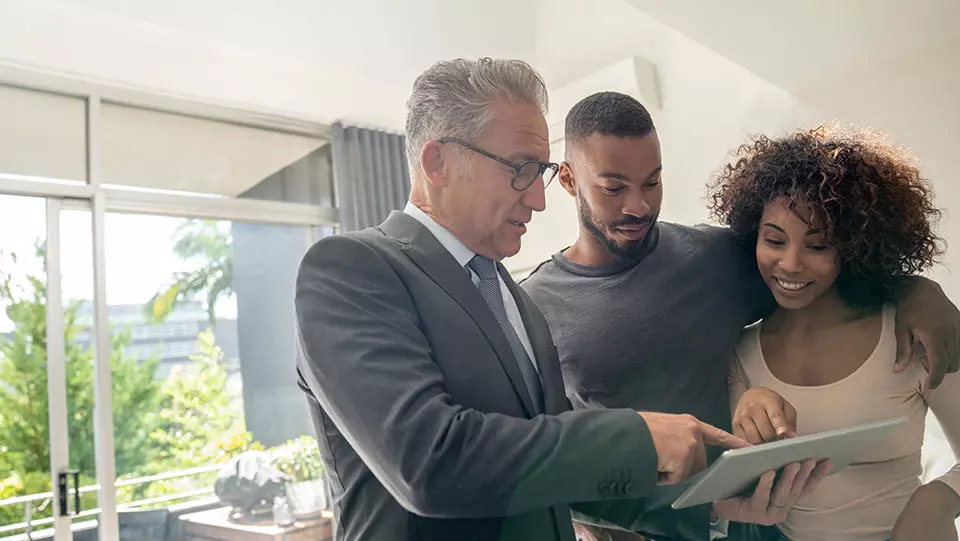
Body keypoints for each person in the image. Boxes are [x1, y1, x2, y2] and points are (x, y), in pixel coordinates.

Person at [294, 59, 825, 541]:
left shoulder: (513, 300)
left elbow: (556, 478)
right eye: (522, 169)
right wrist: (637, 437)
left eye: (542, 173)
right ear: (438, 162)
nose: (541, 197)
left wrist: (709, 506)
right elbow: (429, 463)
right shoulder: (350, 269)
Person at [520, 92, 960, 541]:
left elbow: (822, 268)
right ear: (570, 180)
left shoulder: (717, 257)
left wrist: (918, 289)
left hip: (749, 524)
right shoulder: (531, 307)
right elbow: (542, 458)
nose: (638, 206)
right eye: (614, 188)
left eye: (652, 183)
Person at [712, 125, 960, 541]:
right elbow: (736, 494)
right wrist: (747, 409)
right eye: (774, 240)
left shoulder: (911, 335)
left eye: (818, 246)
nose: (790, 264)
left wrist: (937, 499)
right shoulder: (741, 354)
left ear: (855, 247)